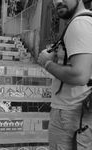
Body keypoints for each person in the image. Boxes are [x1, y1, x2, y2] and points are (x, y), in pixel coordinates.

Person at [38, 0, 92, 149]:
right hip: (81, 109)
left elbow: (79, 75)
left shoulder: (79, 24)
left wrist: (47, 63)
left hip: (70, 110)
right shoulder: (86, 22)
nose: (58, 1)